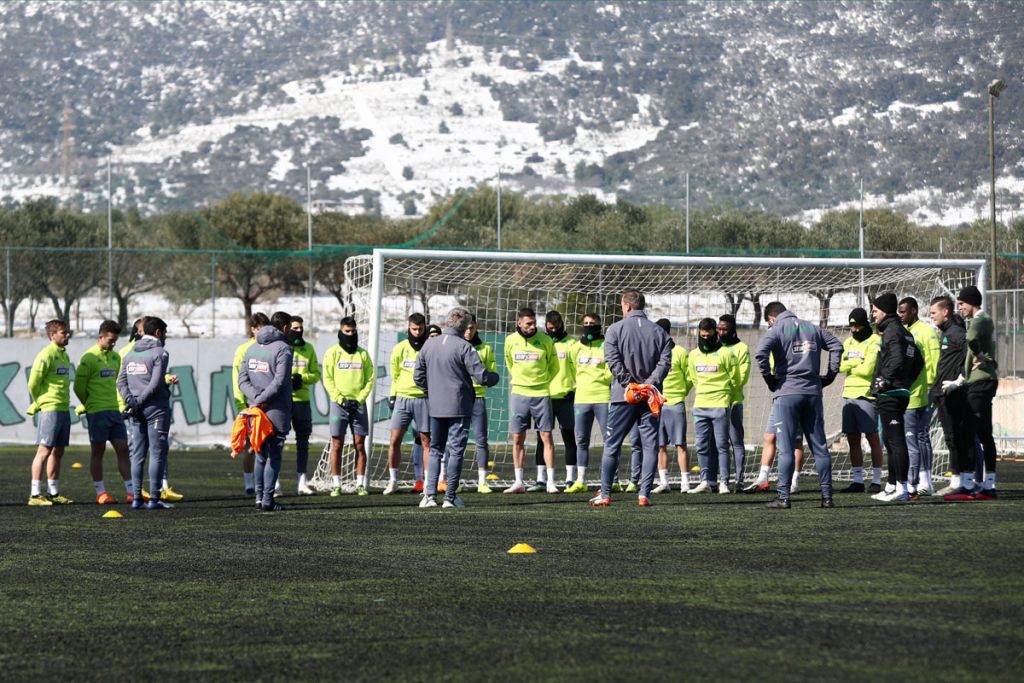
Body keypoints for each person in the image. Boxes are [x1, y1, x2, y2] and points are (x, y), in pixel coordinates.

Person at [755, 301, 843, 509]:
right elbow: (837, 346)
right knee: (820, 447)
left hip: (787, 393)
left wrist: (769, 379)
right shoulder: (811, 327)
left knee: (786, 449)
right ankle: (827, 497)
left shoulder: (776, 328)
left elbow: (760, 353)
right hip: (812, 392)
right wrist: (830, 375)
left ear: (771, 318)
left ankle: (784, 498)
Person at [589, 289, 672, 507]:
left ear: (626, 306)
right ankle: (644, 494)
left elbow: (612, 360)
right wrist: (649, 385)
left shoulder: (615, 329)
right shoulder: (660, 332)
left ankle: (605, 494)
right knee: (649, 446)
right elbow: (665, 363)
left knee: (612, 445)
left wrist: (630, 385)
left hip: (623, 397)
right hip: (650, 398)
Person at [413, 307, 500, 508]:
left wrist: (432, 390)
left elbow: (417, 376)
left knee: (435, 449)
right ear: (464, 327)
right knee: (456, 450)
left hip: (435, 406)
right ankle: (450, 497)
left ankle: (430, 496)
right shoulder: (464, 347)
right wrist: (495, 377)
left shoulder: (429, 345)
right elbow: (482, 376)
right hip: (459, 406)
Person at [118, 316, 183, 503]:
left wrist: (131, 401)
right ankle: (154, 498)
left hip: (136, 410)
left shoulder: (129, 354)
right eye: (165, 333)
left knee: (137, 455)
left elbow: (120, 382)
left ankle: (137, 498)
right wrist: (139, 401)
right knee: (157, 453)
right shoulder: (160, 353)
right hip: (155, 409)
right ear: (157, 332)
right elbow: (155, 383)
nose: (165, 337)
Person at [945, 285, 998, 500]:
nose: (960, 307)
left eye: (962, 303)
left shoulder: (980, 320)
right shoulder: (982, 320)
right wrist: (961, 379)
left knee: (967, 431)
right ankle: (988, 485)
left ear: (972, 303)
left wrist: (978, 355)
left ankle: (967, 485)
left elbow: (970, 340)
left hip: (981, 383)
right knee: (984, 432)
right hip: (982, 381)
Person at [238, 311, 294, 512]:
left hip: (256, 410)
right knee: (274, 455)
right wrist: (262, 400)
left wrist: (255, 399)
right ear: (285, 328)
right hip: (275, 410)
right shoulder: (284, 349)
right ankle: (268, 500)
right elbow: (279, 382)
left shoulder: (251, 348)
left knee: (260, 454)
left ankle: (259, 498)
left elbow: (242, 380)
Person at [868, 293, 921, 504]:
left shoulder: (892, 331)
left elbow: (898, 360)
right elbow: (918, 362)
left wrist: (885, 381)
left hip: (891, 393)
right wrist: (907, 382)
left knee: (897, 441)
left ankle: (902, 487)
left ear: (884, 311)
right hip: (899, 391)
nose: (873, 315)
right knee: (891, 441)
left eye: (874, 311)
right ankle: (891, 485)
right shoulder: (904, 332)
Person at [74, 320, 133, 505]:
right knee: (98, 451)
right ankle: (101, 492)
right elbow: (78, 387)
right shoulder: (88, 358)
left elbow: (115, 382)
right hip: (97, 413)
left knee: (123, 449)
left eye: (115, 340)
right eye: (110, 340)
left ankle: (131, 492)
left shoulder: (116, 358)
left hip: (114, 411)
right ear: (100, 337)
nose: (113, 343)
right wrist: (89, 404)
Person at [503, 307, 560, 494]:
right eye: (528, 323)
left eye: (534, 323)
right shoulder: (510, 341)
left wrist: (541, 383)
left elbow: (554, 367)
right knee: (518, 437)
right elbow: (510, 363)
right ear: (519, 323)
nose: (532, 326)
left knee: (546, 436)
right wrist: (522, 382)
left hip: (541, 393)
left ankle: (550, 482)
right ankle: (518, 481)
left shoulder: (545, 340)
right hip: (519, 394)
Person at [322, 316, 374, 496]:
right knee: (337, 444)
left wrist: (359, 399)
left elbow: (369, 379)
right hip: (339, 405)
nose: (350, 334)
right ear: (340, 331)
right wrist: (340, 399)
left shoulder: (363, 354)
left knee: (360, 444)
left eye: (353, 331)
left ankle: (360, 483)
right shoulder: (332, 353)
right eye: (347, 331)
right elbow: (327, 379)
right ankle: (337, 484)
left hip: (358, 405)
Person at [687, 318, 739, 495]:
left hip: (720, 405)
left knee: (721, 445)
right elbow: (693, 378)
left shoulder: (726, 353)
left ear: (715, 333)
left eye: (708, 335)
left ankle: (724, 482)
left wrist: (723, 395)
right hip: (700, 405)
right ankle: (705, 481)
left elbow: (736, 379)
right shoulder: (693, 355)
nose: (705, 338)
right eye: (702, 335)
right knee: (701, 445)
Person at [26, 320, 73, 506]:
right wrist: (40, 402)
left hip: (63, 408)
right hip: (50, 409)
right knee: (43, 451)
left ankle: (53, 493)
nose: (67, 335)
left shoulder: (64, 356)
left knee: (58, 451)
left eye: (68, 332)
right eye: (63, 333)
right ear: (52, 335)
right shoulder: (46, 354)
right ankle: (35, 495)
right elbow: (32, 383)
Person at [837, 307, 884, 494]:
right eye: (852, 326)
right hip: (848, 395)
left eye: (857, 326)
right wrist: (858, 362)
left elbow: (868, 370)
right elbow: (840, 366)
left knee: (872, 437)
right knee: (852, 438)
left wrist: (852, 364)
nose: (854, 330)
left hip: (867, 395)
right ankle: (857, 480)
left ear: (865, 324)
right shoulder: (848, 342)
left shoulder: (875, 341)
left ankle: (877, 480)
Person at [384, 313, 432, 495]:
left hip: (423, 399)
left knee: (426, 441)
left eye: (420, 329)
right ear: (408, 328)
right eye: (414, 329)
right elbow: (395, 375)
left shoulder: (430, 347)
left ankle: (427, 483)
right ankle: (393, 480)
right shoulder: (400, 348)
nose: (417, 332)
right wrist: (392, 396)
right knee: (394, 440)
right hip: (403, 399)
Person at [928, 296, 970, 497]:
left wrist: (960, 379)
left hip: (952, 394)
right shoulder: (947, 333)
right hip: (943, 392)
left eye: (934, 312)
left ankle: (960, 482)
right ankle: (964, 481)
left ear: (946, 312)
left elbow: (970, 353)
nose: (931, 316)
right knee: (953, 438)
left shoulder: (956, 333)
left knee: (955, 438)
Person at [531, 310, 578, 490]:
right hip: (544, 397)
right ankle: (540, 479)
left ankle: (570, 479)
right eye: (550, 328)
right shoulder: (542, 342)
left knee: (569, 438)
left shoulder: (572, 343)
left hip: (566, 397)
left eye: (557, 328)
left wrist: (574, 389)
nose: (553, 331)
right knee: (541, 439)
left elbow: (576, 370)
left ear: (562, 325)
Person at [898, 297, 940, 496]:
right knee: (917, 437)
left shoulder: (926, 331)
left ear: (914, 311)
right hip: (913, 391)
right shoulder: (907, 332)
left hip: (925, 390)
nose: (901, 315)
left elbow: (934, 360)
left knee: (920, 436)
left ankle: (924, 480)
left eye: (904, 311)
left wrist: (931, 385)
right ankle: (921, 480)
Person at [566, 312, 611, 493]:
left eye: (592, 323)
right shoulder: (576, 348)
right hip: (581, 399)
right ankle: (581, 480)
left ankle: (611, 480)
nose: (588, 325)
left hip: (602, 398)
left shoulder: (606, 345)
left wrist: (601, 379)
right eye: (585, 323)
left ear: (599, 325)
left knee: (609, 441)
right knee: (581, 441)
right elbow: (571, 369)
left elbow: (611, 370)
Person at [652, 318, 691, 494]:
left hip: (675, 404)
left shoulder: (681, 352)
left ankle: (685, 481)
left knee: (680, 444)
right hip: (656, 405)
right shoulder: (651, 352)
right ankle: (664, 482)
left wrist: (681, 393)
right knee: (660, 445)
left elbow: (689, 377)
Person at [233, 313, 270, 496]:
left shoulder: (271, 347)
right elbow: (237, 378)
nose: (262, 330)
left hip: (268, 404)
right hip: (250, 404)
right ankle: (249, 484)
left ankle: (268, 483)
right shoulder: (243, 350)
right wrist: (241, 405)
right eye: (259, 327)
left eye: (265, 326)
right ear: (252, 329)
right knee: (250, 446)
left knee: (267, 445)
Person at [460, 315, 497, 493]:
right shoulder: (457, 346)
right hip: (459, 398)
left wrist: (488, 378)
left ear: (476, 328)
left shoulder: (486, 349)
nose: (469, 331)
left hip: (478, 398)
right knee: (457, 439)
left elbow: (491, 372)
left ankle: (483, 481)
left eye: (472, 328)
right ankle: (454, 480)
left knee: (481, 439)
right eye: (466, 328)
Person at [719, 314, 751, 489]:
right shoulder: (714, 348)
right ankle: (715, 480)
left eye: (725, 329)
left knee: (736, 441)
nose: (721, 332)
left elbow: (742, 377)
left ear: (732, 329)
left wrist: (723, 386)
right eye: (719, 328)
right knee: (717, 443)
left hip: (733, 402)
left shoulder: (741, 348)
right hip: (714, 403)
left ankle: (739, 480)